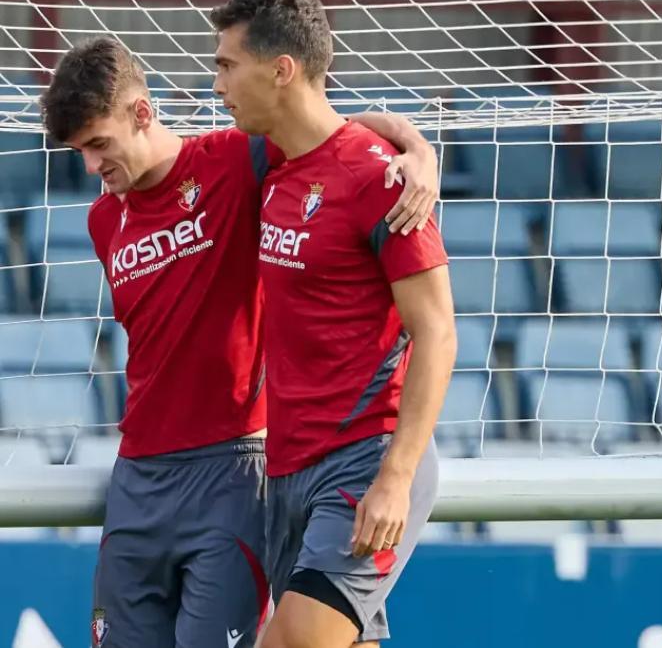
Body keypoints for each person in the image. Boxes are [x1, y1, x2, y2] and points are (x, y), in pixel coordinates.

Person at [39, 36, 440, 648]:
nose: (92, 168)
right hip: (138, 477)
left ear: (142, 113)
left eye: (98, 145)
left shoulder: (237, 160)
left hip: (231, 470)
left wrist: (414, 146)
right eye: (80, 153)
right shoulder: (103, 220)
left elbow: (327, 131)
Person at [210, 0, 455, 648]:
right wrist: (413, 135)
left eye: (228, 65)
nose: (218, 83)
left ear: (281, 69)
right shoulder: (275, 166)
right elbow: (351, 123)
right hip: (289, 468)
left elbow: (436, 330)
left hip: (364, 460)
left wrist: (395, 479)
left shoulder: (381, 181)